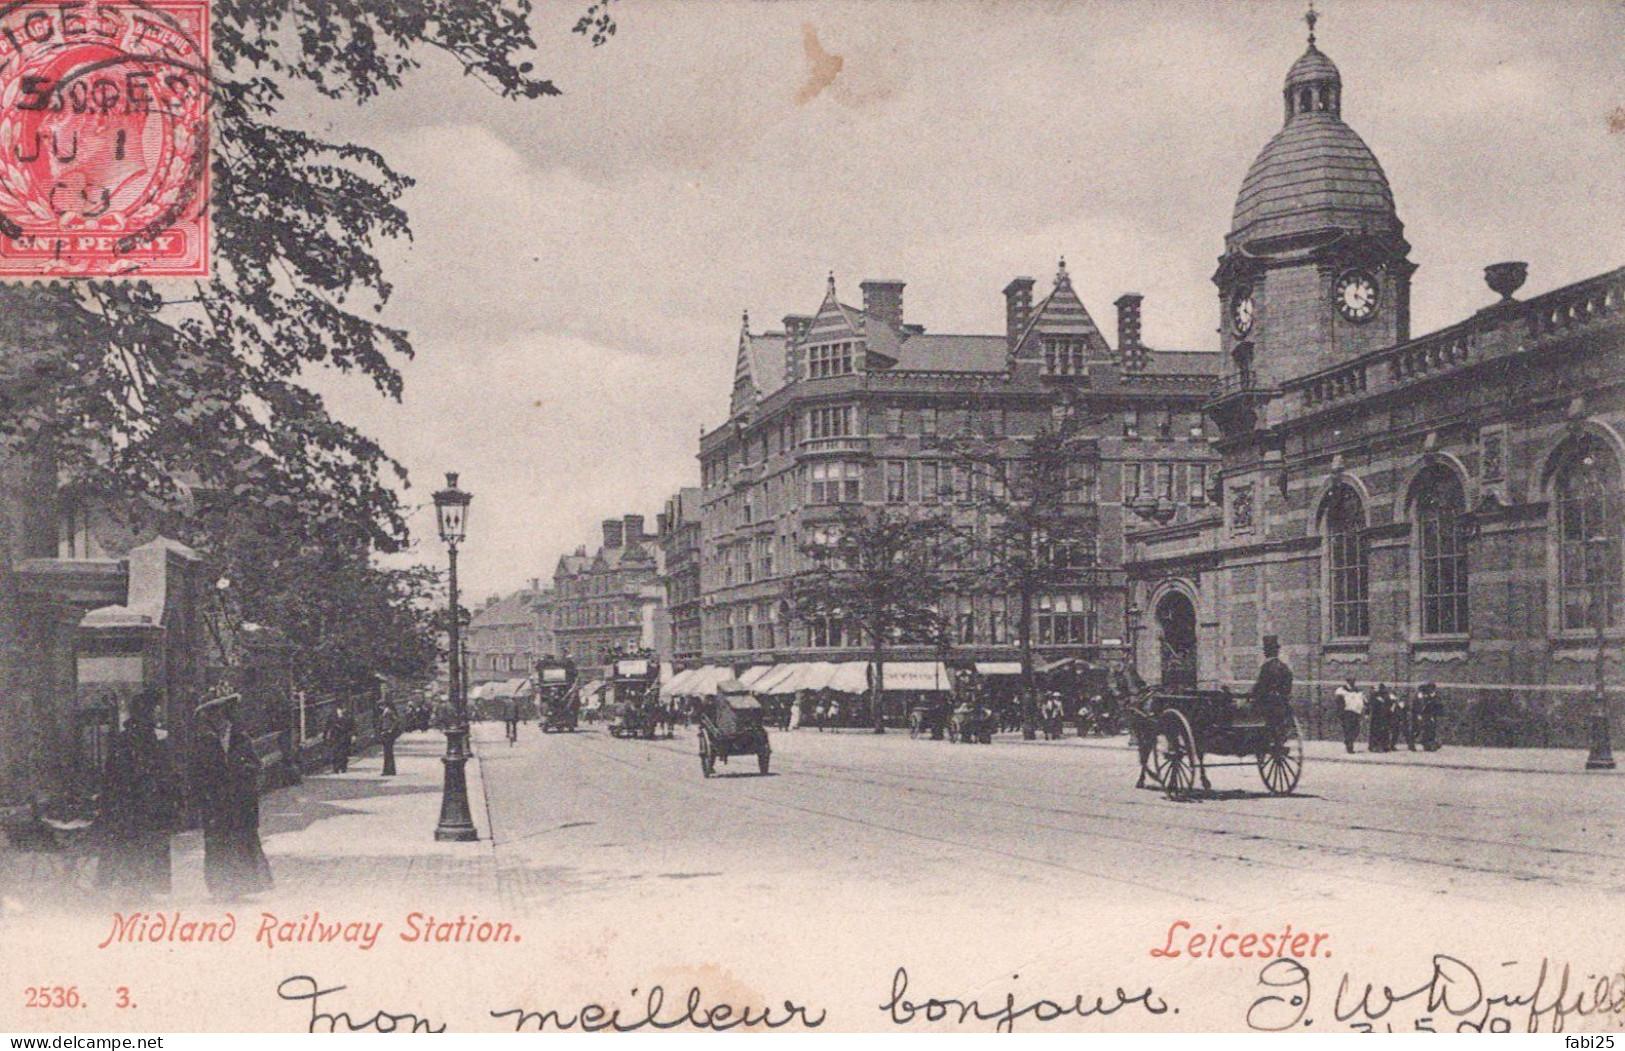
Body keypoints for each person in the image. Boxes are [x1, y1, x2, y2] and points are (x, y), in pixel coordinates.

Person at [189, 695, 273, 900]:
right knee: (217, 843)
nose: (219, 721)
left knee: (240, 842)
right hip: (216, 801)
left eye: (221, 716)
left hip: (239, 800)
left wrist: (243, 771)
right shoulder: (205, 741)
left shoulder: (241, 739)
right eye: (213, 717)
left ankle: (241, 885)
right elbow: (196, 771)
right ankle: (219, 887)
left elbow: (257, 765)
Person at [97, 690, 178, 900]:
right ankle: (140, 886)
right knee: (142, 842)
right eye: (154, 709)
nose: (158, 713)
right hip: (139, 800)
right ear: (146, 712)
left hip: (142, 800)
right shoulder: (140, 738)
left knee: (141, 843)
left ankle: (139, 886)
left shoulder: (137, 736)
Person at [1246, 635, 1295, 743]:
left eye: (1265, 650)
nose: (1264, 652)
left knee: (1245, 711)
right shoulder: (1284, 667)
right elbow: (1288, 686)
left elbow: (1260, 686)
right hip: (1283, 705)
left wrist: (1251, 695)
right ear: (1276, 651)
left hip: (1267, 705)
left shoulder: (1267, 667)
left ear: (1267, 651)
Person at [1333, 676, 1367, 753]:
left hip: (1356, 713)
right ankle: (1350, 747)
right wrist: (1340, 713)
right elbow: (1339, 702)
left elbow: (1364, 700)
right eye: (1351, 681)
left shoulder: (1358, 691)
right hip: (1347, 712)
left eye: (1353, 681)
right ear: (1347, 682)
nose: (1352, 683)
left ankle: (1348, 741)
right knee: (1348, 730)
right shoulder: (1341, 690)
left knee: (1356, 729)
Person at [324, 705, 356, 772]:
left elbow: (353, 725)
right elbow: (327, 726)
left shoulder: (348, 715)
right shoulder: (332, 716)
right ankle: (336, 768)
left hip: (345, 736)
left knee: (344, 752)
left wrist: (353, 735)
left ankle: (343, 767)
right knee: (336, 752)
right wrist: (325, 736)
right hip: (335, 737)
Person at [1417, 682, 1444, 752]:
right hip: (1428, 716)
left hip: (1433, 716)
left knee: (1432, 730)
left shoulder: (1435, 698)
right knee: (1428, 730)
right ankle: (1428, 744)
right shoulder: (1427, 697)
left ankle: (1431, 744)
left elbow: (1438, 707)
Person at [377, 699, 401, 777]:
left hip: (388, 733)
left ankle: (388, 770)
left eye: (380, 705)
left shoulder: (388, 712)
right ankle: (389, 770)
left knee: (388, 752)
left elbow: (396, 720)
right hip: (386, 732)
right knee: (387, 752)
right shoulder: (386, 712)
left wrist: (390, 729)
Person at [1370, 683, 1395, 753]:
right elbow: (1372, 705)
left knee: (1384, 731)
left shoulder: (1386, 696)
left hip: (1385, 716)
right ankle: (1374, 746)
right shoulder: (1374, 696)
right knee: (1376, 731)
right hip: (1376, 717)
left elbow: (1390, 704)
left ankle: (1384, 746)